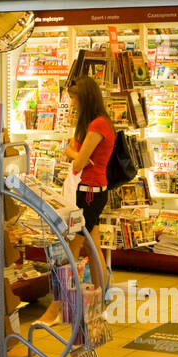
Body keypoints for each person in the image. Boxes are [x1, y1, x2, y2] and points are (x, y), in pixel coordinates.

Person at [64, 75, 116, 293]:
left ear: (85, 98)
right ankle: (100, 293)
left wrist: (72, 152)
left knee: (73, 244)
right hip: (91, 189)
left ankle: (61, 302)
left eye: (75, 99)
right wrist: (75, 153)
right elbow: (75, 154)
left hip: (88, 191)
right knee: (93, 246)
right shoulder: (96, 123)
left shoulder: (97, 125)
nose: (73, 104)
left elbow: (78, 162)